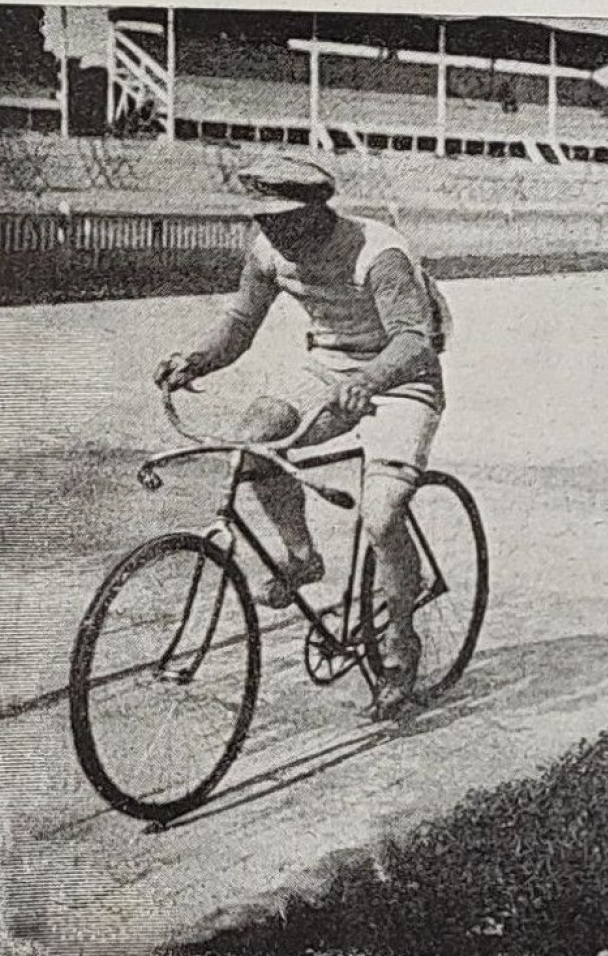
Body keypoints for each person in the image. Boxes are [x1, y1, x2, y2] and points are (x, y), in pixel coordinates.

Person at [152, 155, 450, 717]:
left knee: (383, 514)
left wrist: (370, 379)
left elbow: (415, 339)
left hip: (401, 377)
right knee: (255, 437)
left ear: (319, 212)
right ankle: (301, 555)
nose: (274, 232)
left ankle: (400, 644)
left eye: (287, 220)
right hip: (329, 369)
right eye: (265, 220)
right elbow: (240, 326)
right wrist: (195, 361)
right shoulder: (267, 250)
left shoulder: (377, 252)